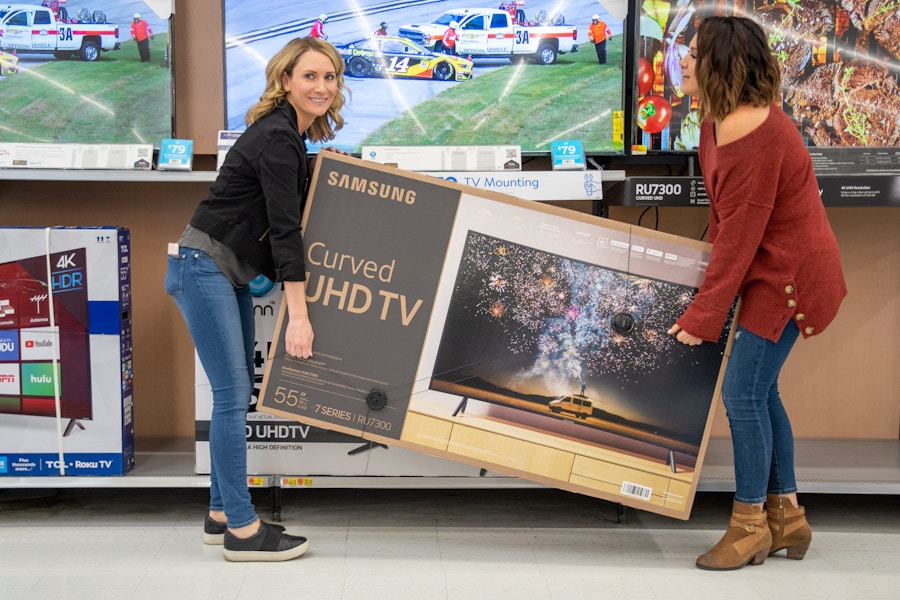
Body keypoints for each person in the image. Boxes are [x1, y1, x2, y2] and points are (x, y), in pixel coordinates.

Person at [669, 16, 846, 571]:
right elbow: (725, 226)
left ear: (722, 63)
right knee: (761, 391)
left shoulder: (762, 136)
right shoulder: (714, 123)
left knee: (744, 393)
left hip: (791, 278)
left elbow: (740, 242)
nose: (685, 61)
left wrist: (704, 316)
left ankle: (749, 526)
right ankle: (788, 517)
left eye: (696, 53)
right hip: (768, 268)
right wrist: (707, 303)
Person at [164, 37, 347, 562]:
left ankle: (221, 512)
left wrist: (322, 165)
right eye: (309, 76)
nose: (321, 86)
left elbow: (282, 198)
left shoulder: (287, 137)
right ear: (285, 80)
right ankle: (243, 531)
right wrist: (299, 316)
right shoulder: (278, 137)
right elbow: (287, 230)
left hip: (221, 271)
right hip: (205, 269)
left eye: (329, 77)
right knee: (231, 395)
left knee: (234, 395)